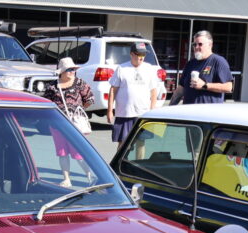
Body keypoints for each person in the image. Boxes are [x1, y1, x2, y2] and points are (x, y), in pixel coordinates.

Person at [44, 57, 95, 187]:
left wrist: (79, 111)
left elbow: (90, 99)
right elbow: (47, 104)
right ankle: (66, 179)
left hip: (75, 125)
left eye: (73, 69)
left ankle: (91, 177)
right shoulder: (52, 86)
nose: (72, 71)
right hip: (57, 125)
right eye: (69, 69)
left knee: (79, 153)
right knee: (62, 152)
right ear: (62, 71)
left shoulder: (79, 83)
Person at [107, 42, 162, 150]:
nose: (141, 57)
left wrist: (152, 110)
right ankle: (120, 161)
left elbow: (153, 91)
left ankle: (138, 161)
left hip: (142, 113)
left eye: (143, 55)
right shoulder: (121, 68)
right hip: (124, 114)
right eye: (139, 54)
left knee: (141, 143)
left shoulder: (149, 69)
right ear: (132, 54)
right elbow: (113, 90)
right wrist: (109, 111)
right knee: (123, 144)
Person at [171, 30, 233, 105]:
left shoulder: (218, 61)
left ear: (210, 45)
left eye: (200, 44)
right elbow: (180, 90)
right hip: (189, 110)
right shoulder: (190, 63)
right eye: (194, 44)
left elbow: (229, 87)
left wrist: (204, 85)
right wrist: (170, 107)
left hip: (207, 111)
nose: (196, 47)